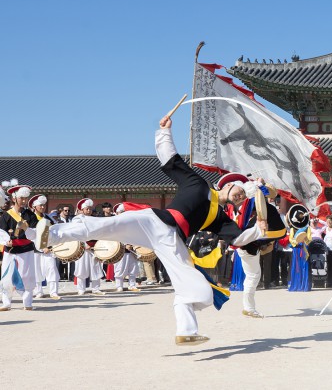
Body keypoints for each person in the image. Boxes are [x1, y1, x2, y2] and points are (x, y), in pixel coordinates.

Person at [36, 111, 269, 345]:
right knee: (107, 225)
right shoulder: (197, 182)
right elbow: (171, 161)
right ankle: (51, 236)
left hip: (172, 241)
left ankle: (186, 331)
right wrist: (165, 131)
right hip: (155, 220)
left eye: (243, 197)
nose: (240, 196)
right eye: (240, 190)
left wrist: (259, 230)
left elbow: (238, 239)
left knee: (197, 288)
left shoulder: (219, 217)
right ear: (228, 184)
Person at [219, 172, 280, 318]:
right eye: (237, 193)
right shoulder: (241, 204)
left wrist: (261, 185)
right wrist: (259, 186)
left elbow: (270, 194)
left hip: (246, 243)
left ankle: (249, 308)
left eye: (241, 192)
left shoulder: (234, 205)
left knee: (252, 275)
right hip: (246, 243)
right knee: (253, 276)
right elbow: (264, 195)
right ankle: (249, 308)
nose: (239, 196)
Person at [0, 184, 37, 310]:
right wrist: (6, 241)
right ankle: (6, 302)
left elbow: (34, 233)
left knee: (27, 276)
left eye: (26, 198)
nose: (24, 201)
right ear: (14, 198)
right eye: (22, 198)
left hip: (26, 249)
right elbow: (1, 231)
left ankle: (27, 302)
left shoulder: (30, 215)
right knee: (7, 275)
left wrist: (26, 229)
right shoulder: (6, 215)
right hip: (10, 249)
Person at [29, 194, 61, 300]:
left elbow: (54, 231)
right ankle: (38, 292)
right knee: (37, 270)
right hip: (35, 249)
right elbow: (32, 235)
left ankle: (54, 292)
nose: (42, 207)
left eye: (44, 205)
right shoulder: (31, 218)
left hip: (49, 248)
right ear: (35, 206)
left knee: (52, 269)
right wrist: (42, 247)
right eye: (40, 205)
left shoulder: (48, 217)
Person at [72, 198, 106, 296]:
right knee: (81, 268)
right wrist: (84, 244)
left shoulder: (94, 219)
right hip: (82, 247)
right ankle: (81, 289)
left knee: (96, 268)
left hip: (94, 247)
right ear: (82, 209)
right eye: (87, 209)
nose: (89, 210)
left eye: (90, 209)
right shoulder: (77, 220)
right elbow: (75, 234)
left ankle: (96, 288)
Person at [288, 220, 310, 292]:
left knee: (303, 266)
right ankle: (296, 285)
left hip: (304, 249)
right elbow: (290, 239)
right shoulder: (293, 228)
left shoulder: (307, 228)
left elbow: (309, 239)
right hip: (296, 249)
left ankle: (304, 285)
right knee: (296, 266)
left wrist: (305, 240)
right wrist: (296, 242)